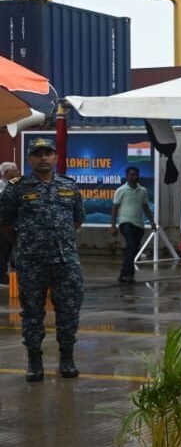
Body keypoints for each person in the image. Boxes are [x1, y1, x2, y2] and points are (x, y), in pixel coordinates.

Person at [0, 138, 85, 382]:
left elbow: (77, 219)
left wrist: (61, 240)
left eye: (48, 153)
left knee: (68, 311)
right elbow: (4, 222)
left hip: (65, 261)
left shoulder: (68, 185)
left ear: (55, 157)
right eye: (38, 154)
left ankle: (66, 358)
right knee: (32, 312)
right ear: (30, 159)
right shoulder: (17, 187)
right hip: (32, 261)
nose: (43, 158)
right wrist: (26, 242)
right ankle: (34, 362)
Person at [109, 166, 155, 283]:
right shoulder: (121, 190)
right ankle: (124, 274)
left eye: (136, 175)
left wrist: (152, 221)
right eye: (132, 175)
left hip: (139, 225)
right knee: (131, 245)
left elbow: (145, 207)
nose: (134, 177)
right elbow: (115, 207)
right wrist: (113, 226)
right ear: (127, 176)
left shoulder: (143, 191)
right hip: (126, 223)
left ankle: (129, 275)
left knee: (133, 249)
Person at [0, 161, 20, 279]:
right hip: (3, 225)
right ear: (7, 173)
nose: (18, 172)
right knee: (3, 251)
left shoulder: (18, 186)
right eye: (15, 170)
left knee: (12, 251)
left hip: (16, 224)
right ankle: (1, 276)